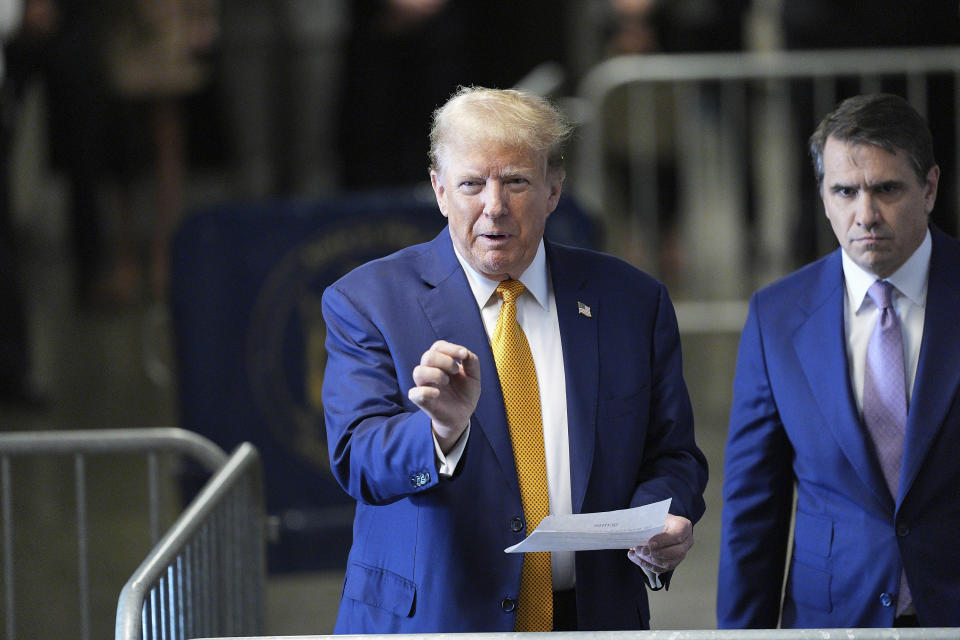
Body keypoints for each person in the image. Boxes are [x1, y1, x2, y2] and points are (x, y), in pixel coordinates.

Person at [321, 86, 708, 633]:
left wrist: (662, 518)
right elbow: (357, 459)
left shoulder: (632, 301)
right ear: (439, 189)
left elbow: (673, 455)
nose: (494, 205)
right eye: (471, 184)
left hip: (593, 617)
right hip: (435, 620)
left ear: (554, 187)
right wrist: (441, 433)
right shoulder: (367, 301)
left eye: (516, 181)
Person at [718, 93, 960, 628]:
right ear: (824, 197)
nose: (865, 214)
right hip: (831, 617)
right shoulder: (776, 316)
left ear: (930, 188)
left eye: (887, 189)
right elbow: (753, 510)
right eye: (845, 191)